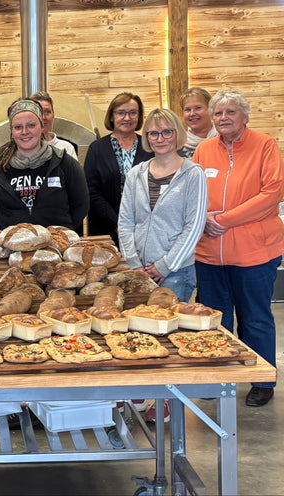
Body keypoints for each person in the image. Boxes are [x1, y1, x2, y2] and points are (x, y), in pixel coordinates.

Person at [193, 90, 284, 408]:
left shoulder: (265, 145)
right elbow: (191, 191)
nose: (223, 118)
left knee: (255, 317)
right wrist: (202, 217)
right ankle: (218, 374)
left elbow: (272, 194)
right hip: (209, 253)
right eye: (217, 114)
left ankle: (262, 379)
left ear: (244, 115)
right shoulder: (203, 150)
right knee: (215, 319)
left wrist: (225, 220)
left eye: (230, 112)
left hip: (254, 253)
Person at [117, 108, 208, 424]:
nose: (160, 139)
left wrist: (164, 265)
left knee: (171, 337)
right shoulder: (136, 174)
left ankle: (168, 398)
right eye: (154, 133)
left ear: (177, 135)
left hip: (176, 271)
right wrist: (134, 263)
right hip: (139, 271)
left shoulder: (193, 174)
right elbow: (126, 220)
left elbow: (193, 225)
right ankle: (142, 389)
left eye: (167, 132)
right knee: (139, 330)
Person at [0, 99, 88, 230]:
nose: (24, 132)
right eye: (18, 127)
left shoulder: (65, 163)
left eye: (31, 125)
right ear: (11, 131)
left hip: (57, 245)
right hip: (14, 247)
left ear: (42, 126)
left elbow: (81, 206)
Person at [84, 92, 153, 244]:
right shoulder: (97, 149)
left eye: (133, 113)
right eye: (121, 113)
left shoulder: (149, 147)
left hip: (144, 230)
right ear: (111, 116)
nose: (127, 118)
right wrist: (117, 224)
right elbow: (91, 191)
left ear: (139, 117)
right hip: (105, 231)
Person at [29, 91, 78, 161]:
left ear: (53, 115)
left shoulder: (66, 148)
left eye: (47, 112)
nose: (43, 117)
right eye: (38, 112)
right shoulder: (24, 148)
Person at [179, 87, 218, 159]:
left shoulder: (225, 139)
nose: (192, 113)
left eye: (198, 108)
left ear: (210, 109)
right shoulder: (178, 145)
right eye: (187, 110)